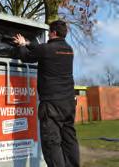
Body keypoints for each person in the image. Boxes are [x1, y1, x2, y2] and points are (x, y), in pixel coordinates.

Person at [13, 20, 80, 167]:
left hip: (51, 105)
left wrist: (22, 44)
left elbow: (26, 57)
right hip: (68, 103)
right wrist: (30, 43)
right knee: (69, 139)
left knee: (51, 143)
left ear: (54, 33)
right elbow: (43, 49)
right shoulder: (69, 50)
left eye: (49, 32)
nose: (48, 34)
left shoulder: (46, 49)